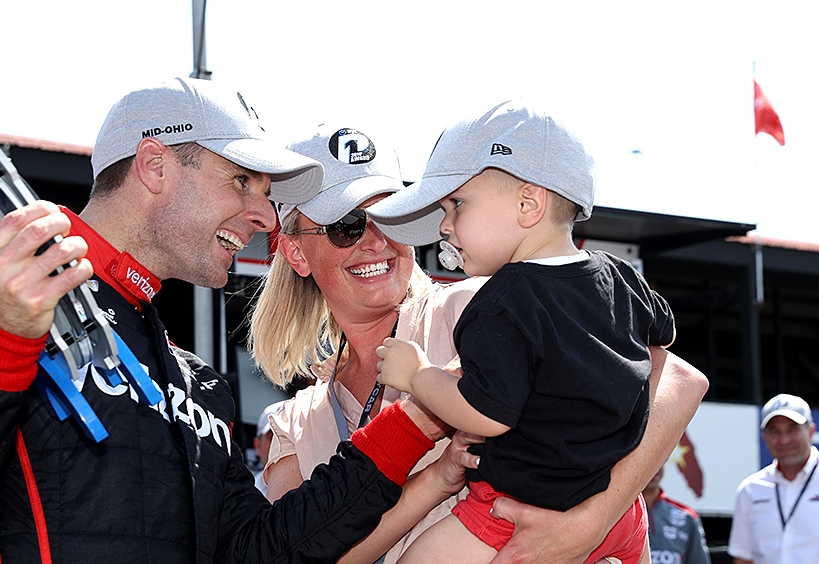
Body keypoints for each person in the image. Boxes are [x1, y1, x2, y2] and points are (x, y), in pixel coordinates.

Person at [0, 77, 461, 564]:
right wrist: (2, 332)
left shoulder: (199, 386)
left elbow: (260, 552)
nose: (263, 216)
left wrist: (413, 421)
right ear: (155, 165)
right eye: (242, 181)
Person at [249, 120, 707, 564]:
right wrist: (435, 480)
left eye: (391, 217)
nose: (376, 241)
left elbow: (680, 382)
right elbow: (301, 553)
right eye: (346, 224)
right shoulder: (294, 424)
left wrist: (590, 522)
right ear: (294, 251)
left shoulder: (486, 301)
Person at [371, 100, 676, 564]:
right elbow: (663, 337)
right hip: (623, 515)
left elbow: (487, 412)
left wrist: (417, 375)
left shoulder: (504, 299)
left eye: (457, 204)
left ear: (528, 204)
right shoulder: (619, 276)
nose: (445, 225)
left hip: (516, 513)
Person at [727, 393, 819, 564]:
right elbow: (743, 558)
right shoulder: (750, 489)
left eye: (793, 429)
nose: (784, 440)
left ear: (811, 431)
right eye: (774, 431)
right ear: (765, 438)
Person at [641, 465, 711, 564]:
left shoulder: (687, 517)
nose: (655, 467)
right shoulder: (618, 514)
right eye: (648, 460)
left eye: (661, 459)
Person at [252, 400, 287, 496]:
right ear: (257, 445)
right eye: (273, 437)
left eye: (288, 437)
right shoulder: (241, 498)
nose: (281, 444)